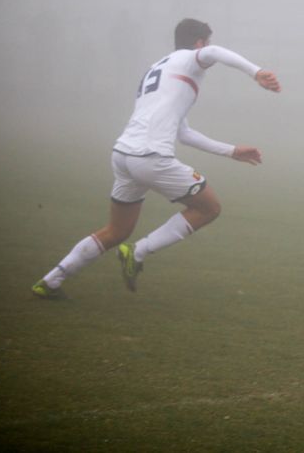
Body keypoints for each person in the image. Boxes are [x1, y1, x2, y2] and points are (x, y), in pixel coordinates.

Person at [31, 18, 281, 299]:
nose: (207, 49)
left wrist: (232, 150)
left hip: (124, 155)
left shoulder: (160, 68)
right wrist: (256, 72)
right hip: (150, 156)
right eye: (206, 42)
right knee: (209, 208)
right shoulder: (190, 58)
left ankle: (51, 281)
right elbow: (214, 54)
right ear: (199, 42)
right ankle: (139, 252)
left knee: (117, 230)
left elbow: (183, 133)